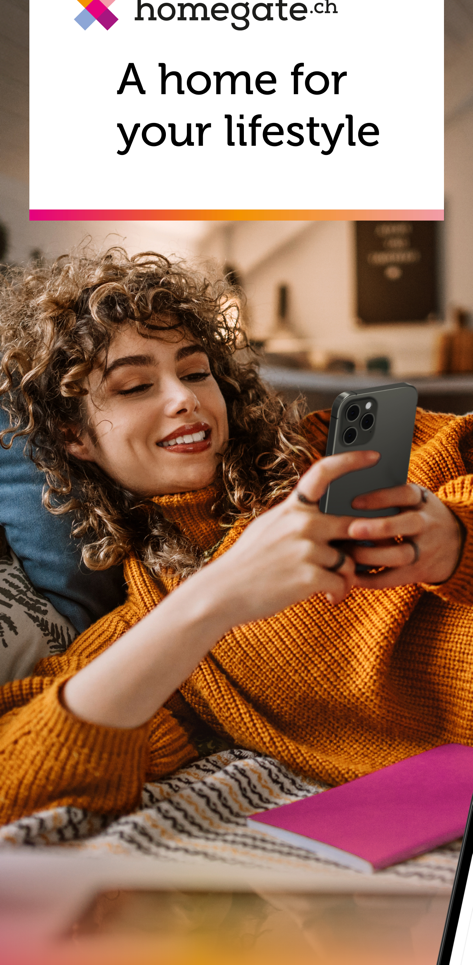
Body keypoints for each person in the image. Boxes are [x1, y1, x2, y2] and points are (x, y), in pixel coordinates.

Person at [0, 248, 471, 827]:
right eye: (134, 387)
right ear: (74, 437)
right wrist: (212, 599)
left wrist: (456, 540)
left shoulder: (338, 450)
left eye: (196, 372)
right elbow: (18, 774)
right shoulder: (156, 627)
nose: (185, 398)